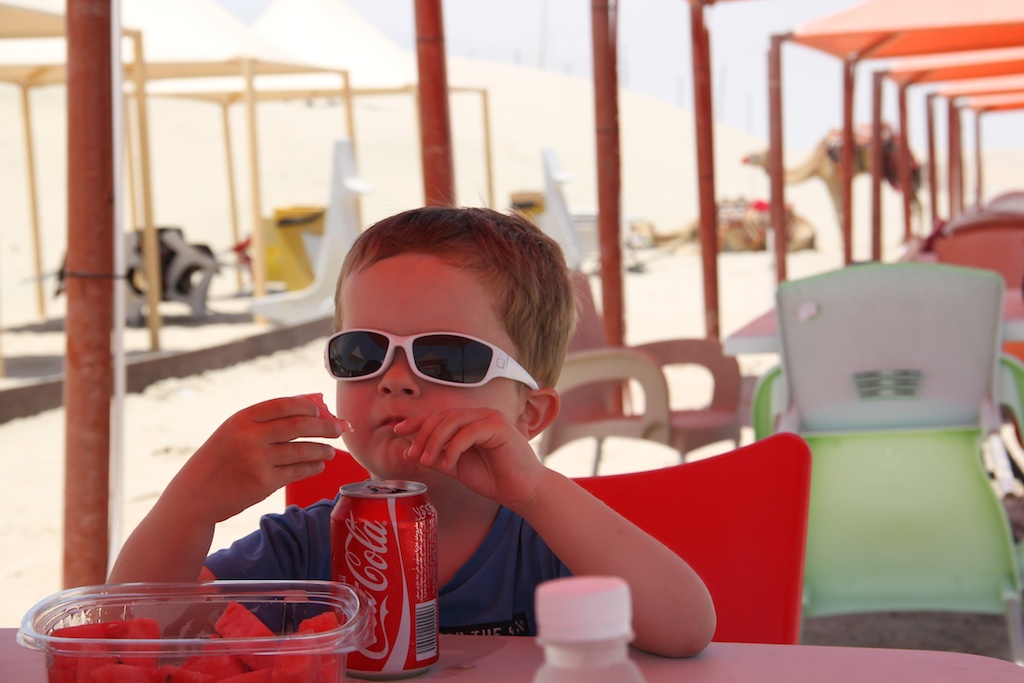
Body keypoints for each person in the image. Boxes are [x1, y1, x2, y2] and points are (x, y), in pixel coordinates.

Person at [109, 206, 716, 657]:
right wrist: (192, 502)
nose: (395, 381)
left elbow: (687, 630)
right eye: (362, 353)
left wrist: (536, 490)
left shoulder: (551, 539)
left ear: (527, 415)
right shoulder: (305, 548)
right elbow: (137, 632)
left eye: (447, 358)